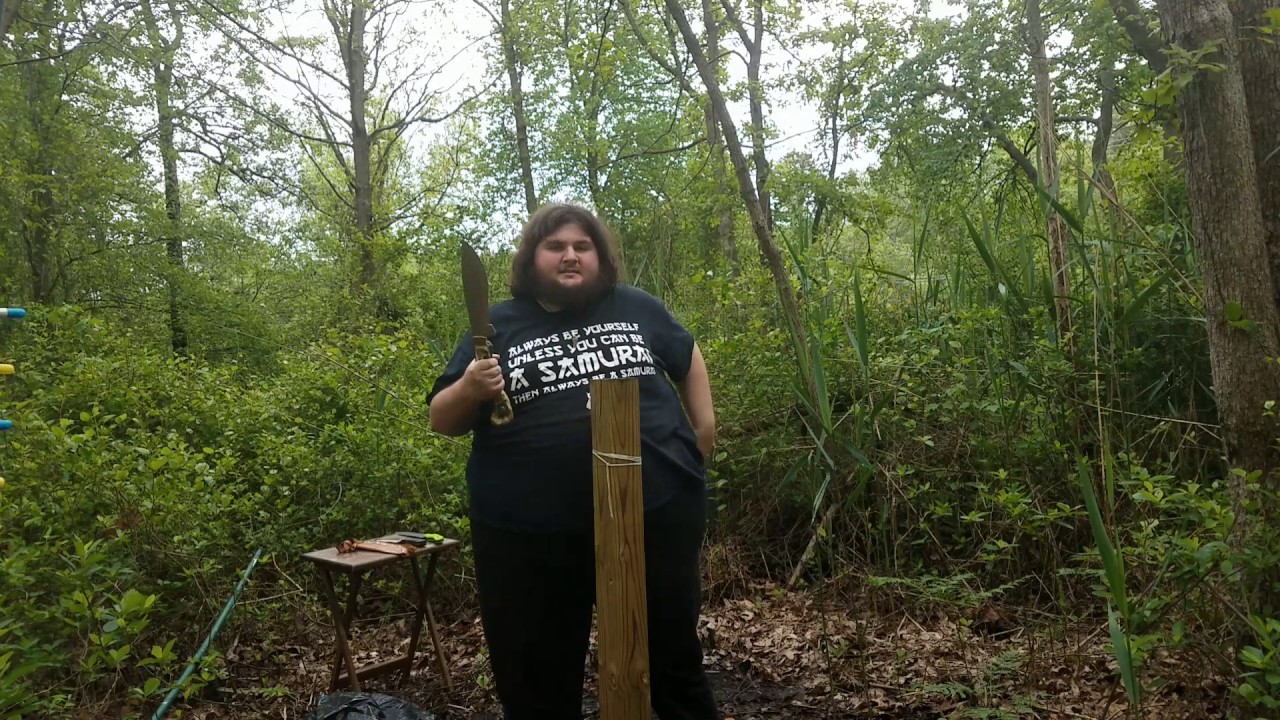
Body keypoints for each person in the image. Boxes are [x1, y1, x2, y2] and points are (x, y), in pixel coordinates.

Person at [427, 203, 720, 720]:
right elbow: (442, 419)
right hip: (527, 535)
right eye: (555, 246)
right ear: (531, 259)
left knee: (671, 661)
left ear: (599, 257)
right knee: (536, 679)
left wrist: (704, 432)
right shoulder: (498, 324)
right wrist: (471, 387)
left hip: (653, 516)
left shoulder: (636, 306)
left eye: (582, 246)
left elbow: (687, 354)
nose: (570, 256)